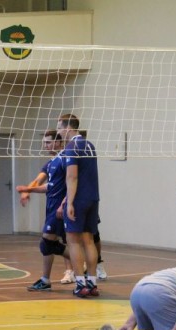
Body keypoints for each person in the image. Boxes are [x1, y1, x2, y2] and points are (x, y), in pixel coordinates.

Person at [16, 130, 70, 291]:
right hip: (51, 206)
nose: (45, 145)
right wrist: (27, 190)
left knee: (47, 243)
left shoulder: (65, 159)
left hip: (60, 208)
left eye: (48, 142)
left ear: (58, 142)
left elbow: (72, 184)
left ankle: (80, 264)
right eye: (44, 142)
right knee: (50, 244)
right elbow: (41, 182)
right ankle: (80, 265)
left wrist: (64, 204)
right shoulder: (51, 163)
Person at [58, 114, 100, 298]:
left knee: (73, 241)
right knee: (89, 240)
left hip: (79, 199)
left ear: (68, 128)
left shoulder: (71, 147)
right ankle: (92, 283)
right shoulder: (90, 145)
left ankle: (80, 284)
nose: (59, 131)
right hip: (93, 198)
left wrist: (69, 202)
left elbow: (72, 176)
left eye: (60, 127)